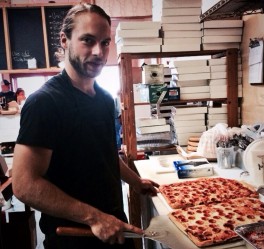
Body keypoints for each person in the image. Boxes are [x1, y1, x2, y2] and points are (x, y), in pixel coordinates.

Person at [12, 3, 159, 249]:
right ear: (64, 40)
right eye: (87, 40)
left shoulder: (103, 98)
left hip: (114, 227)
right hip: (74, 237)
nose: (98, 52)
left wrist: (135, 181)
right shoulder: (44, 103)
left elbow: (105, 154)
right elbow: (24, 185)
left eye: (104, 42)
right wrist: (94, 217)